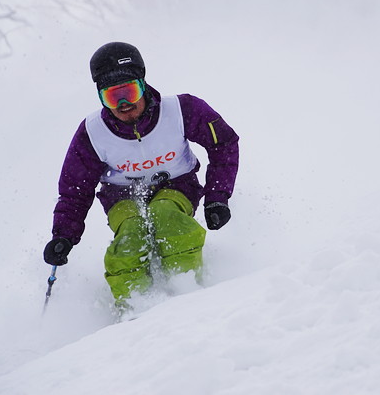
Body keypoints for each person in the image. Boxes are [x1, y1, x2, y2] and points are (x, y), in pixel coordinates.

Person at [43, 42, 239, 304]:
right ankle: (136, 305)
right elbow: (75, 190)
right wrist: (63, 236)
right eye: (112, 97)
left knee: (166, 214)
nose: (124, 104)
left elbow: (223, 143)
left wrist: (217, 197)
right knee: (132, 233)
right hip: (121, 196)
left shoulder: (181, 110)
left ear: (143, 85)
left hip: (178, 185)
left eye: (130, 92)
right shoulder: (93, 133)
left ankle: (186, 289)